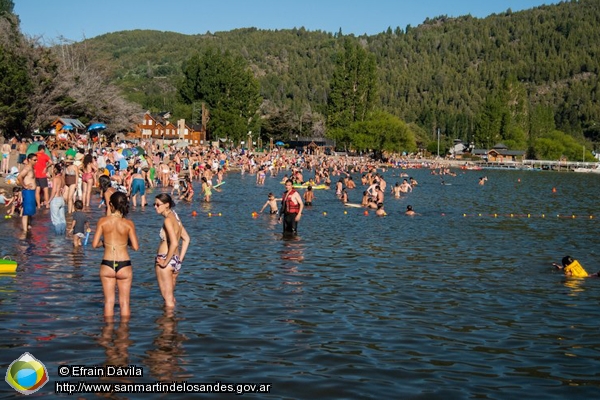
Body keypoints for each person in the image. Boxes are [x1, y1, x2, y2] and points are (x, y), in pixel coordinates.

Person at [92, 191, 139, 318]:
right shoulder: (128, 224)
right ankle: (124, 335)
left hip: (107, 263)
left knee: (108, 303)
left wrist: (105, 243)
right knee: (124, 303)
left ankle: (107, 334)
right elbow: (135, 247)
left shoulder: (102, 221)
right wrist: (124, 241)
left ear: (111, 205)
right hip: (124, 263)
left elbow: (94, 244)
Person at [154, 193, 190, 308]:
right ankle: (173, 324)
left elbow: (174, 243)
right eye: (154, 204)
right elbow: (186, 239)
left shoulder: (168, 221)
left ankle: (167, 325)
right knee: (170, 299)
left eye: (158, 204)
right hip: (175, 261)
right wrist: (179, 260)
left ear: (167, 205)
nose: (155, 207)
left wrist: (165, 262)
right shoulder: (175, 216)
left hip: (165, 260)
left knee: (167, 300)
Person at [16, 153, 37, 232]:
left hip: (32, 191)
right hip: (28, 191)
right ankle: (24, 231)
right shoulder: (27, 168)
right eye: (35, 160)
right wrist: (24, 186)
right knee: (26, 211)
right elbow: (19, 177)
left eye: (36, 160)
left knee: (30, 211)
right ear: (29, 160)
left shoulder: (32, 168)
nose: (36, 161)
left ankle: (28, 226)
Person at [48, 163, 67, 235]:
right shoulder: (62, 178)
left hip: (55, 199)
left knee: (56, 220)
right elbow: (63, 189)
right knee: (62, 219)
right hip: (61, 199)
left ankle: (58, 237)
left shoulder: (55, 179)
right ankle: (63, 235)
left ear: (55, 170)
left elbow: (54, 191)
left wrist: (49, 201)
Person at [34, 144, 52, 208]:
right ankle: (47, 204)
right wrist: (46, 167)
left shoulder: (34, 155)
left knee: (37, 190)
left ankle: (38, 205)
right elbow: (51, 162)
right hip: (42, 175)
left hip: (35, 175)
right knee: (45, 190)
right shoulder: (44, 155)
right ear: (42, 149)